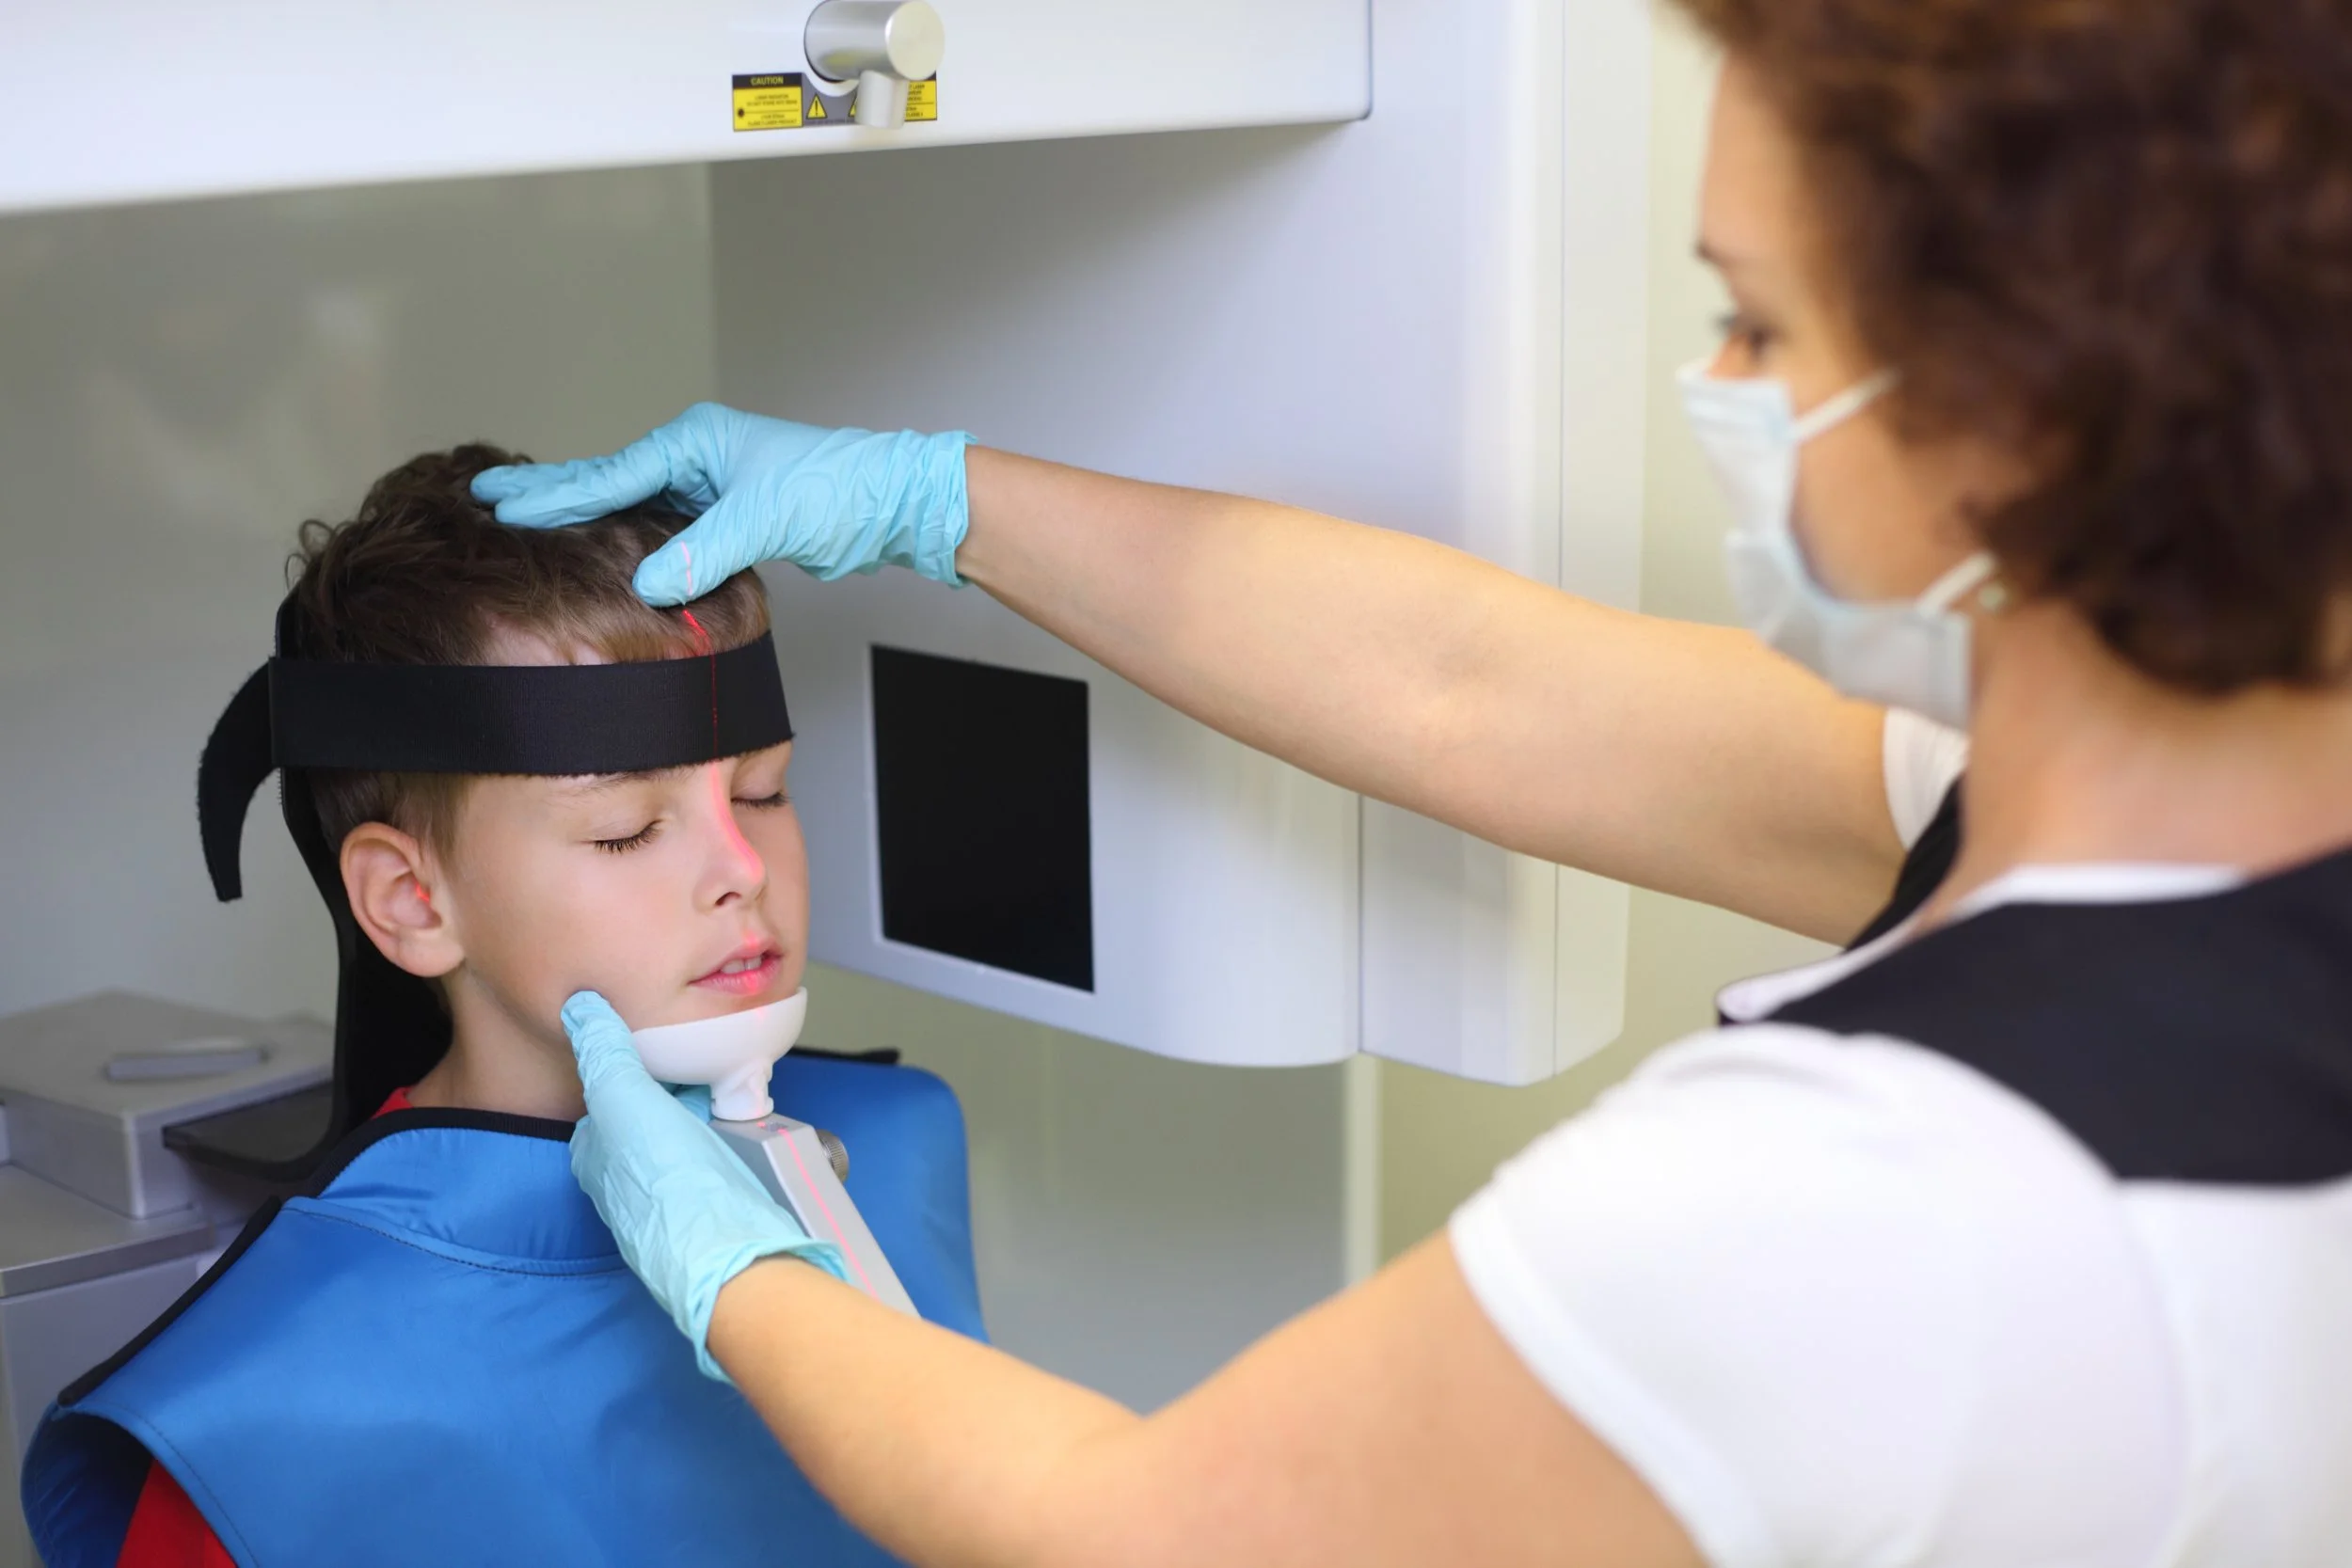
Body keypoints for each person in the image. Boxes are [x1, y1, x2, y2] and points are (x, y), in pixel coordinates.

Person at [480, 0, 2352, 1561]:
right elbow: (1475, 692)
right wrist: (935, 496)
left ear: (2019, 413)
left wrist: (743, 1273)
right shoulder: (2162, 813)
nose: (1711, 374)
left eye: (1758, 324)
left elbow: (1132, 1533)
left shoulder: (1861, 1196)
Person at [20, 448, 984, 1568]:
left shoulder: (901, 1149)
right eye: (626, 825)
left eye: (763, 790)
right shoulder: (256, 1423)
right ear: (414, 900)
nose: (743, 866)